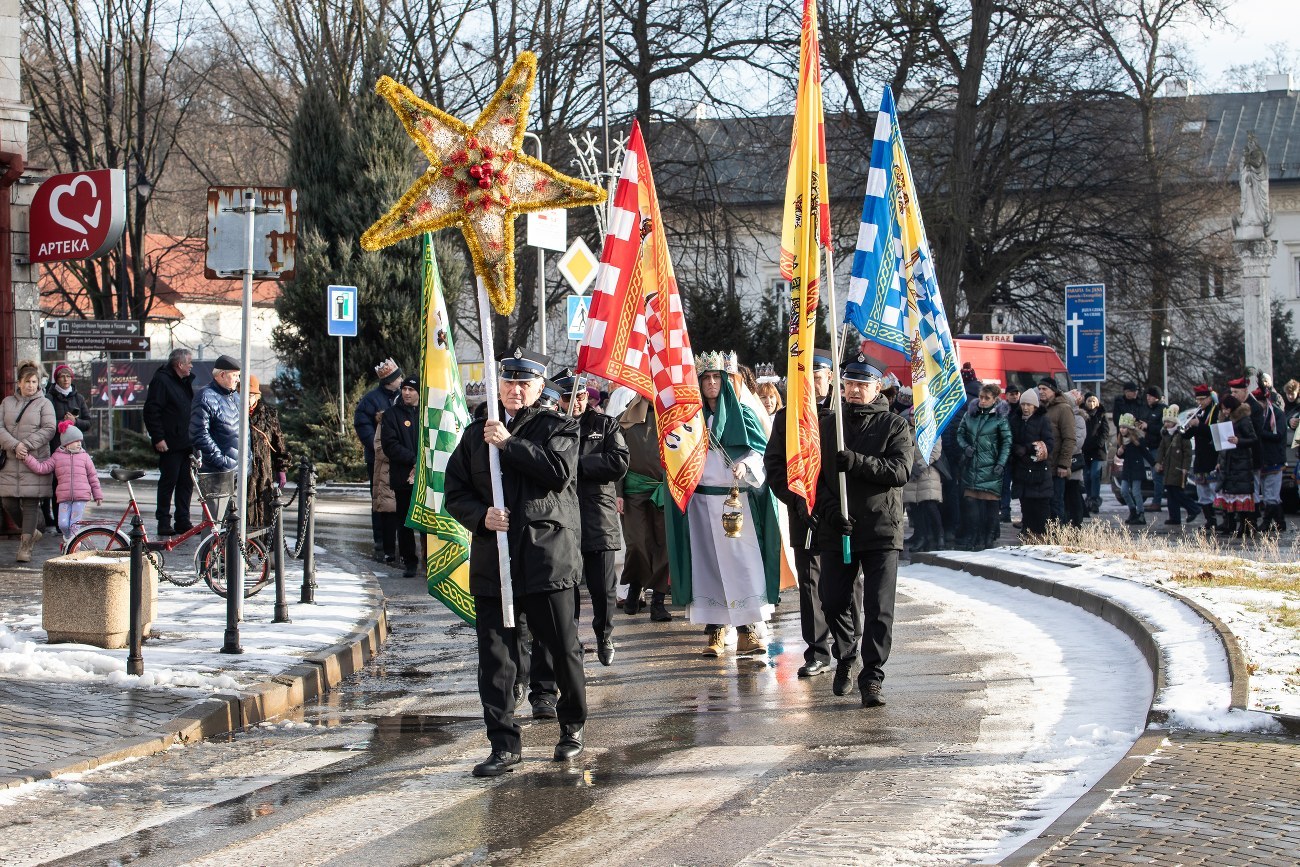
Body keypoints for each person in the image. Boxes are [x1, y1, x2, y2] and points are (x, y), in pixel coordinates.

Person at [443, 347, 587, 777]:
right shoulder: (476, 434)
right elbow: (455, 492)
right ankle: (504, 745)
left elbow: (557, 472)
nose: (515, 390)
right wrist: (480, 517)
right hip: (495, 562)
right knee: (496, 659)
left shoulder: (558, 426)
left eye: (524, 383)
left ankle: (572, 726)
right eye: (509, 382)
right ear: (498, 384)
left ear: (540, 387)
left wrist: (510, 444)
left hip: (546, 559)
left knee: (562, 649)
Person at [812, 353, 912, 706]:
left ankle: (872, 677)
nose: (854, 390)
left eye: (861, 384)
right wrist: (830, 511)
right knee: (832, 600)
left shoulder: (894, 425)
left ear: (877, 387)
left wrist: (857, 462)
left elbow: (900, 471)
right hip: (838, 529)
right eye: (849, 383)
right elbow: (814, 479)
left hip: (881, 530)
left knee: (879, 607)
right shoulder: (830, 425)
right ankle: (845, 654)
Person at [666, 350, 781, 658]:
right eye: (706, 378)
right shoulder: (689, 420)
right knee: (708, 565)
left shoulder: (743, 415)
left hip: (735, 502)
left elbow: (761, 452)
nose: (712, 383)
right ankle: (716, 631)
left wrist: (746, 464)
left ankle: (747, 630)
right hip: (701, 503)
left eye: (717, 377)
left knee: (742, 565)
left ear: (725, 381)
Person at [763, 347, 851, 679]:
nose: (811, 384)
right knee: (811, 583)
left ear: (830, 377)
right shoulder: (787, 418)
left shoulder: (844, 414)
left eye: (817, 377)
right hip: (806, 514)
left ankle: (849, 646)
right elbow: (775, 465)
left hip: (841, 512)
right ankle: (817, 651)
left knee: (846, 581)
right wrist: (795, 500)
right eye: (805, 378)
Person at [555, 369, 629, 665]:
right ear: (558, 399)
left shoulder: (605, 424)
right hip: (563, 516)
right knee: (566, 586)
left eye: (581, 396)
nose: (575, 402)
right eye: (568, 397)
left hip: (598, 515)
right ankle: (569, 641)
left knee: (603, 587)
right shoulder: (551, 426)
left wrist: (576, 465)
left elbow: (619, 462)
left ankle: (604, 634)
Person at [616, 394, 672, 620]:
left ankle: (658, 600)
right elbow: (617, 457)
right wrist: (618, 493)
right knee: (637, 543)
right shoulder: (624, 419)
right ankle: (635, 587)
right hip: (634, 491)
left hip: (665, 489)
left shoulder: (672, 416)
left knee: (664, 545)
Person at [0, 360, 56, 562]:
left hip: (34, 460)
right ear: (19, 383)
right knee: (8, 502)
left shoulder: (45, 403)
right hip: (10, 460)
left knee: (31, 502)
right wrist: (15, 445)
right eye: (27, 381)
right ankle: (31, 532)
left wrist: (26, 445)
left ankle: (25, 547)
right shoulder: (7, 403)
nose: (31, 385)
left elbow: (49, 428)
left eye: (34, 381)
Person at [143, 348, 196, 536]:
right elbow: (151, 411)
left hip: (186, 442)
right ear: (179, 364)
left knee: (186, 483)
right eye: (189, 362)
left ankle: (183, 520)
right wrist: (158, 437)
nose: (191, 366)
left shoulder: (184, 382)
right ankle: (163, 522)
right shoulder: (162, 380)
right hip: (170, 443)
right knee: (168, 482)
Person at [355, 358, 403, 561]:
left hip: (399, 458)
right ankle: (381, 540)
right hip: (377, 459)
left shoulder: (402, 397)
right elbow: (362, 424)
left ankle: (399, 539)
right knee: (380, 500)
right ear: (390, 380)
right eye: (398, 377)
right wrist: (378, 447)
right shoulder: (371, 400)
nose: (401, 380)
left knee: (400, 499)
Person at [24, 421, 102, 543]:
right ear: (66, 443)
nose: (79, 444)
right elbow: (42, 468)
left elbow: (93, 476)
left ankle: (74, 543)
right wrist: (27, 458)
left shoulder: (85, 457)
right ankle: (70, 539)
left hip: (81, 497)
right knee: (63, 524)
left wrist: (98, 495)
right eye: (76, 441)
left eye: (80, 441)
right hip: (64, 497)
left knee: (74, 524)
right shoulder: (57, 456)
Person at [957, 383, 1011, 550]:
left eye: (987, 398)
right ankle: (973, 536)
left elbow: (1006, 442)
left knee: (990, 506)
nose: (982, 401)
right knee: (971, 505)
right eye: (981, 397)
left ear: (995, 399)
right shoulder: (970, 414)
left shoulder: (1000, 418)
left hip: (991, 467)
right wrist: (965, 447)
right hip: (972, 467)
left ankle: (989, 537)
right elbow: (960, 433)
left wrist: (1001, 463)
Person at [381, 376, 422, 577]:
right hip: (403, 478)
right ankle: (409, 561)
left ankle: (430, 560)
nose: (406, 393)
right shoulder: (392, 415)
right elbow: (390, 445)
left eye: (411, 390)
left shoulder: (427, 413)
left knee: (427, 521)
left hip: (425, 478)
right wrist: (413, 460)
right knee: (405, 522)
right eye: (404, 389)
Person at [42, 363, 92, 527]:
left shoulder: (78, 398)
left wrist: (75, 422)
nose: (65, 379)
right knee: (58, 484)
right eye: (62, 376)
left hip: (77, 448)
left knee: (76, 484)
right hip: (57, 447)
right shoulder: (49, 398)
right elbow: (45, 422)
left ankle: (73, 521)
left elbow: (88, 423)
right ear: (56, 379)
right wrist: (63, 423)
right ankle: (59, 522)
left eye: (68, 376)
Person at [901, 388, 944, 553]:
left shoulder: (931, 430)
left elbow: (935, 452)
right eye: (911, 415)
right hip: (911, 474)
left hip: (927, 473)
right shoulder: (905, 430)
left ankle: (939, 536)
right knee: (915, 509)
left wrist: (919, 466)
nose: (913, 418)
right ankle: (921, 537)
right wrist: (910, 466)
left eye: (916, 415)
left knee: (930, 507)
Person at [1009, 388, 1054, 539]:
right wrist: (1016, 449)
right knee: (1025, 504)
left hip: (1039, 470)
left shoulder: (1043, 420)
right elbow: (1009, 440)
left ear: (1035, 406)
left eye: (1029, 405)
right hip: (1021, 469)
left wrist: (1028, 448)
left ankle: (1041, 535)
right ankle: (1028, 533)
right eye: (1023, 404)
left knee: (1040, 506)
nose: (1026, 408)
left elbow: (1049, 444)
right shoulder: (1015, 420)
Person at [1181, 385, 1225, 533]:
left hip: (1212, 456)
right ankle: (1210, 520)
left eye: (1202, 399)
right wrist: (1185, 426)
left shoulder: (1217, 411)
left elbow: (1215, 432)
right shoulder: (1199, 412)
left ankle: (1224, 520)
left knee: (1215, 490)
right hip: (1200, 457)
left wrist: (1198, 424)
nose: (1200, 402)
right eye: (1197, 399)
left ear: (1209, 398)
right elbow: (1188, 434)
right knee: (1202, 492)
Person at [189, 355, 241, 474]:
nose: (238, 380)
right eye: (235, 375)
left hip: (241, 472)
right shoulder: (205, 397)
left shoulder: (236, 397)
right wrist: (221, 462)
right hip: (219, 473)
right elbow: (199, 434)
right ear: (222, 375)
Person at [1215, 394, 1258, 537]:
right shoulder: (1226, 419)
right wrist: (1219, 462)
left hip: (1241, 463)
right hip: (1228, 463)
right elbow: (1222, 445)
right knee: (1228, 494)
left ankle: (1245, 527)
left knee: (1241, 495)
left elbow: (1253, 439)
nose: (1225, 411)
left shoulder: (1244, 419)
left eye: (1226, 408)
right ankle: (1230, 524)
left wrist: (1239, 441)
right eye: (1223, 409)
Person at [1037, 378, 1076, 523]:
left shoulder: (1063, 409)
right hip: (1042, 465)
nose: (1041, 392)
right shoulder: (1040, 409)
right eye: (1039, 389)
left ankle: (1059, 533)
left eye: (1044, 389)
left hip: (1057, 467)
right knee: (1043, 504)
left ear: (1053, 391)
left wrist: (1064, 464)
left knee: (1056, 503)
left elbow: (1069, 438)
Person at [1155, 405, 1195, 526]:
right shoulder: (1165, 434)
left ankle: (1193, 508)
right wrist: (1158, 462)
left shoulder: (1181, 434)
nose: (1166, 424)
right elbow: (1161, 450)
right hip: (1168, 468)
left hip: (1178, 469)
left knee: (1177, 493)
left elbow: (1187, 453)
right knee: (1170, 494)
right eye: (1165, 422)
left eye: (1169, 421)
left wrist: (1185, 467)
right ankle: (1174, 517)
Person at [371, 409, 398, 565]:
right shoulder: (384, 422)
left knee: (403, 516)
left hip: (404, 472)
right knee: (389, 514)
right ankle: (389, 552)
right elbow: (379, 449)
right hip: (387, 474)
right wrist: (402, 454)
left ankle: (406, 554)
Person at [1115, 413, 1151, 524]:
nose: (1122, 430)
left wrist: (1154, 464)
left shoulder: (1137, 440)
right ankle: (1132, 511)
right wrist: (1119, 453)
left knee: (1136, 492)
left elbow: (1145, 453)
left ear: (1130, 429)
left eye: (1124, 427)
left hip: (1137, 468)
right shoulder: (1121, 440)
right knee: (1124, 491)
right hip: (1127, 468)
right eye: (1121, 427)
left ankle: (1141, 514)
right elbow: (1121, 455)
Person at [1081, 393, 1109, 514]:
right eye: (1089, 401)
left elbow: (1105, 432)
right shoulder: (1081, 414)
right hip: (1085, 450)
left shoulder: (1101, 414)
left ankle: (1095, 499)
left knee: (1095, 475)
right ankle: (1089, 499)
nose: (1091, 404)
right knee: (1086, 476)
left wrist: (1099, 443)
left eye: (1094, 401)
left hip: (1097, 451)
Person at [1140, 386, 1168, 512]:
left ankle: (1157, 502)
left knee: (1157, 476)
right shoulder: (1146, 409)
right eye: (1147, 396)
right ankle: (1154, 501)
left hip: (1158, 447)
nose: (1148, 398)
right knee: (1155, 476)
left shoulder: (1163, 409)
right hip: (1148, 446)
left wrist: (1148, 426)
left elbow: (1163, 429)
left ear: (1157, 397)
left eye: (1150, 396)